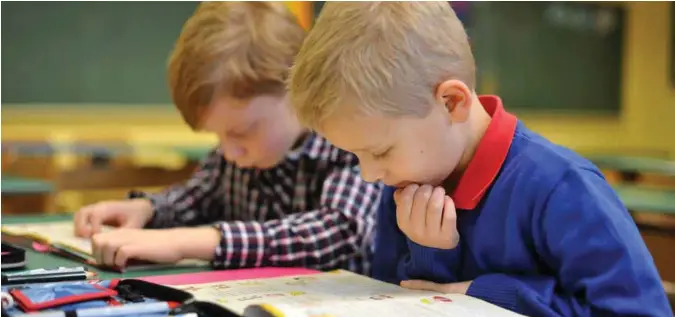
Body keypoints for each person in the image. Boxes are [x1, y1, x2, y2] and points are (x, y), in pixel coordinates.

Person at [287, 2, 671, 316]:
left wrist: (487, 293)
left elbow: (639, 311)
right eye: (355, 156)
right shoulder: (403, 182)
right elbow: (394, 299)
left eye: (380, 151)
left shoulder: (563, 186)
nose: (370, 175)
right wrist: (429, 254)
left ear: (451, 102)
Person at [73, 2, 381, 275]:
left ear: (296, 89)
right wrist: (147, 210)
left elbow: (340, 230)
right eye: (218, 136)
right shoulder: (235, 154)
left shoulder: (349, 146)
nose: (229, 151)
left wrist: (188, 242)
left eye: (241, 131)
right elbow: (199, 197)